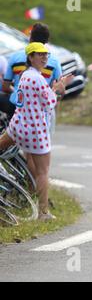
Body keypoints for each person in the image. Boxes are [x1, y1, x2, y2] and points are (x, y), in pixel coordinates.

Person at [0, 42, 65, 220]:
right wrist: (57, 89)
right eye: (40, 54)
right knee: (43, 171)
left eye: (46, 55)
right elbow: (49, 103)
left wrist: (52, 90)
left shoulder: (24, 75)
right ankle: (43, 212)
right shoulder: (38, 78)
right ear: (30, 57)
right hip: (35, 130)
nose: (44, 57)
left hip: (18, 125)